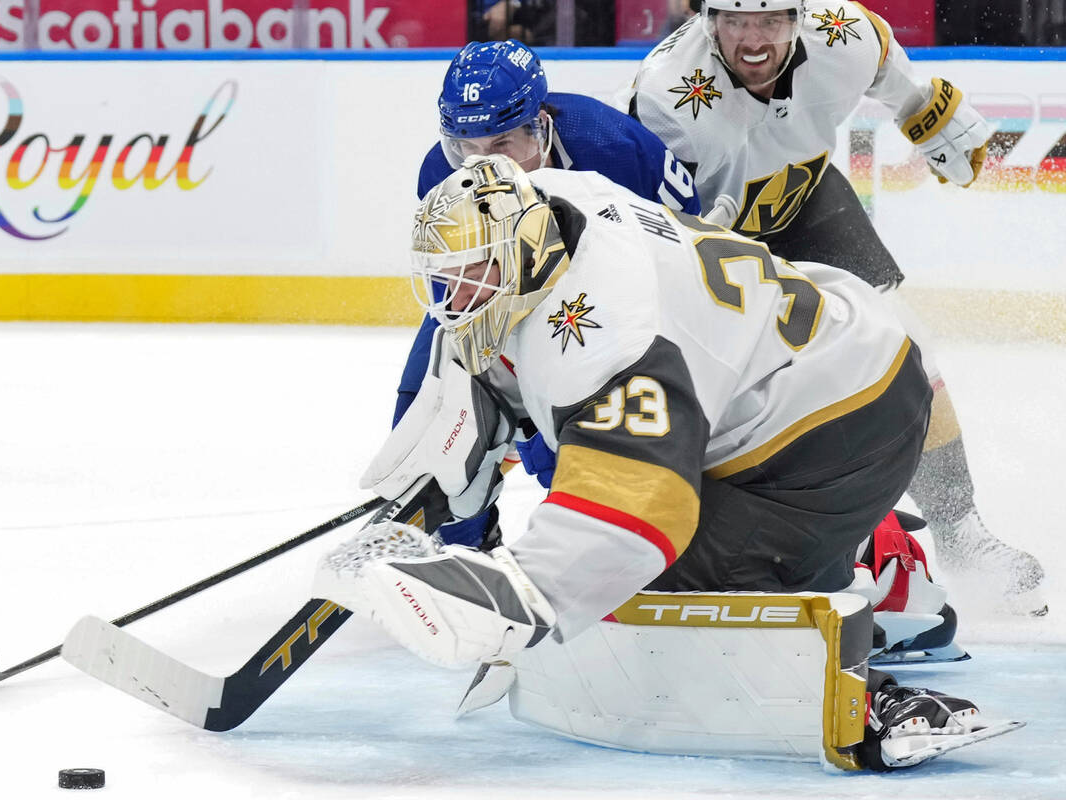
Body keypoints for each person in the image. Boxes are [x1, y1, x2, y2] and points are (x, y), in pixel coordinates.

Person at [316, 154, 1018, 770]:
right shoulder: (555, 199)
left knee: (669, 576)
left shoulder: (611, 330)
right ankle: (860, 552)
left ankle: (880, 643)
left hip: (846, 415)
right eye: (447, 279)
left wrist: (516, 597)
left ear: (522, 256)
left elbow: (637, 517)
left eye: (471, 276)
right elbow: (516, 346)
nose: (455, 297)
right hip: (810, 358)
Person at [627, 0, 1046, 615]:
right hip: (713, 244)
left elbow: (892, 72)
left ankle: (963, 532)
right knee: (725, 389)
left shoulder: (843, 33)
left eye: (770, 19)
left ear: (800, 16)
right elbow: (649, 225)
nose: (751, 40)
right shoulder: (666, 98)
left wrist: (922, 110)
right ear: (705, 18)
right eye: (734, 20)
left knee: (907, 347)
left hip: (809, 200)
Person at [394, 39, 701, 548]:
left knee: (581, 443)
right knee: (426, 419)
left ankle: (606, 538)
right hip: (504, 293)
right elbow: (460, 302)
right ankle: (461, 544)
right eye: (464, 148)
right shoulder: (439, 175)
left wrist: (543, 420)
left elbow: (686, 251)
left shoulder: (614, 148)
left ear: (539, 126)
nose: (478, 169)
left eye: (499, 145)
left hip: (614, 302)